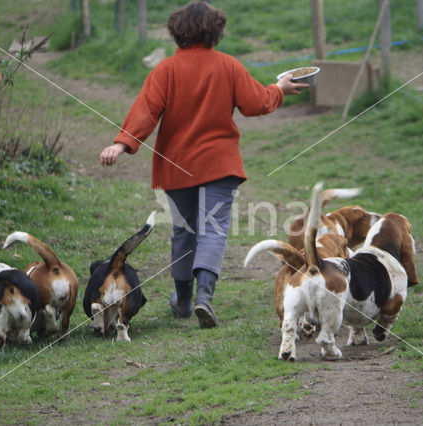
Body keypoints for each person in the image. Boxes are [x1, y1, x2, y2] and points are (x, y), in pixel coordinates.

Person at [100, 1, 308, 329]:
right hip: (220, 165)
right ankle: (204, 299)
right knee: (213, 230)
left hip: (176, 166)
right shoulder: (228, 66)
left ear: (177, 32)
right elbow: (257, 103)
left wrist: (121, 143)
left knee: (184, 231)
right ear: (215, 32)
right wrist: (279, 90)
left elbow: (146, 111)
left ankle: (183, 301)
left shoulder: (165, 70)